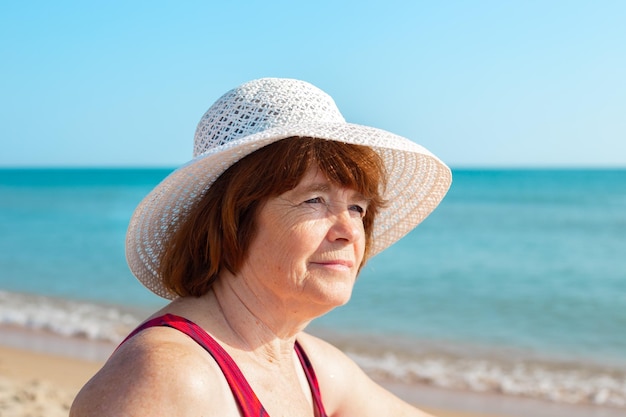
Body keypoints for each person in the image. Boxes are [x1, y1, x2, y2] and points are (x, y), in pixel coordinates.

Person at [70, 77, 452, 417]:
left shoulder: (311, 366)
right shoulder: (169, 377)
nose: (349, 231)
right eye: (314, 200)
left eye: (357, 207)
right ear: (233, 223)